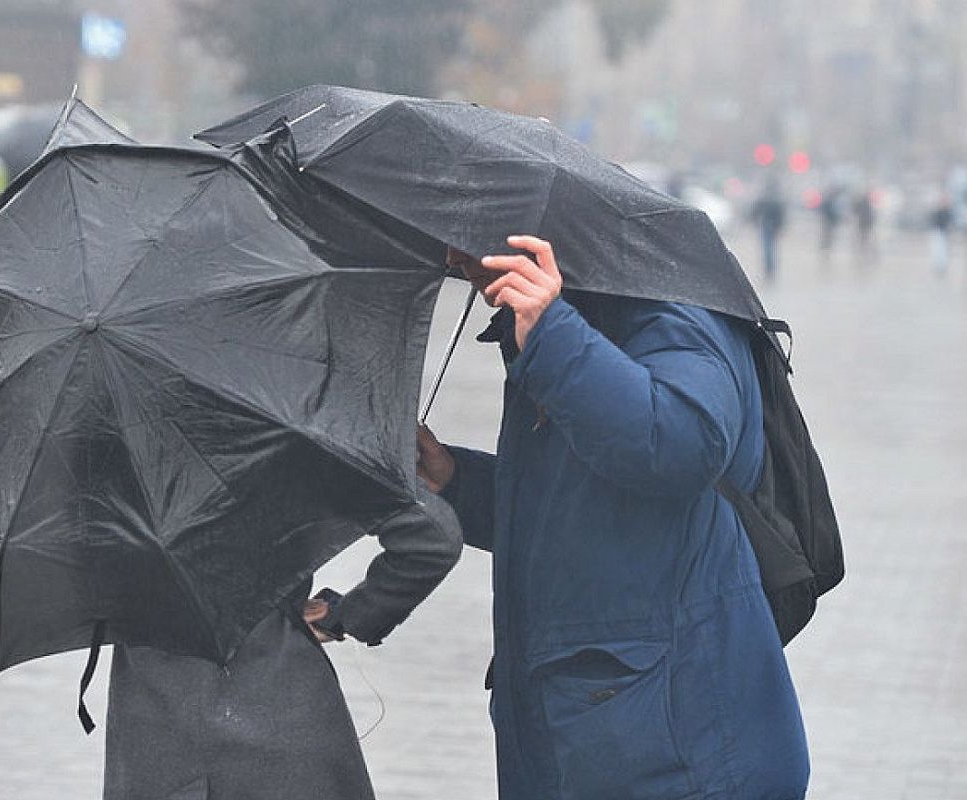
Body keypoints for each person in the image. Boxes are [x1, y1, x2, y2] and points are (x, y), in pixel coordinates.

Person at [418, 235, 809, 799]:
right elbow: (576, 511)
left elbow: (682, 446)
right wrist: (453, 479)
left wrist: (553, 335)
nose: (454, 260)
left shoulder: (672, 313)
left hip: (679, 746)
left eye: (466, 239)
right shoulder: (571, 320)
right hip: (607, 730)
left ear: (535, 234)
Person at [103, 486, 462, 800]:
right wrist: (350, 614)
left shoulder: (99, 454)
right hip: (287, 724)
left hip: (157, 738)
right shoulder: (285, 435)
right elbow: (433, 537)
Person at [750, 178, 787, 282]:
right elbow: (782, 215)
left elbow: (755, 211)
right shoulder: (777, 199)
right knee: (771, 249)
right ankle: (770, 269)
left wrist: (754, 221)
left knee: (767, 249)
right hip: (772, 226)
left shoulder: (764, 198)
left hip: (766, 225)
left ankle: (768, 269)